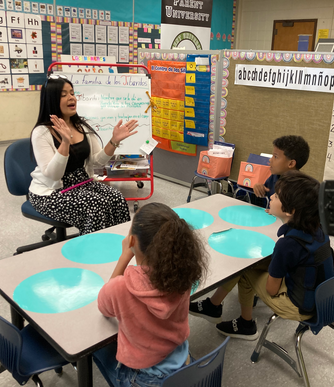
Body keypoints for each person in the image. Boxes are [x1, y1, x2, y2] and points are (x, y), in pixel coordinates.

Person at [190, 171, 334, 340]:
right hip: (323, 299)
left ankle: (245, 324)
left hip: (299, 307)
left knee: (244, 270)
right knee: (256, 263)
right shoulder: (317, 231)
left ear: (290, 211)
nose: (272, 196)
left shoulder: (287, 245)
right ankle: (213, 305)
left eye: (278, 196)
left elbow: (271, 289)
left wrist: (272, 268)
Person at [93, 202, 208, 386]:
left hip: (145, 379)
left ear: (132, 242)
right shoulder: (184, 273)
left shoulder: (120, 287)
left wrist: (124, 256)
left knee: (96, 348)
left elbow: (103, 306)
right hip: (184, 365)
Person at [28, 75, 138, 235]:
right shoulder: (41, 132)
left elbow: (97, 162)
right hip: (51, 193)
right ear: (52, 100)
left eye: (72, 93)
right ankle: (93, 252)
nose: (71, 98)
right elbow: (53, 175)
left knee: (116, 198)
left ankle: (116, 246)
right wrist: (65, 142)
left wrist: (114, 141)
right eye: (63, 95)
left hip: (82, 183)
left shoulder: (81, 126)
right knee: (96, 205)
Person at [252, 135, 310, 199]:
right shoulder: (275, 177)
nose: (270, 159)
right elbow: (266, 192)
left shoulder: (299, 189)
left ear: (291, 164)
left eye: (275, 157)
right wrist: (259, 188)